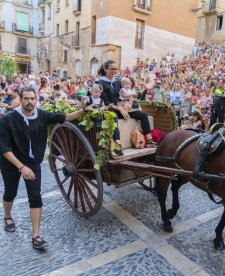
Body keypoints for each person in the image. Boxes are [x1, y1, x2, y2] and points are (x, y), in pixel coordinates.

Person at [0, 87, 95, 250]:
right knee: (10, 192)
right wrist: (21, 167)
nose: (29, 102)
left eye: (32, 98)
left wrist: (84, 110)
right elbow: (4, 147)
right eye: (26, 99)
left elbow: (64, 117)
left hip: (32, 162)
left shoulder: (42, 115)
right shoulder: (8, 119)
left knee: (35, 197)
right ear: (20, 99)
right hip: (11, 162)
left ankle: (36, 236)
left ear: (37, 99)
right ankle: (7, 216)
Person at [97, 60, 157, 148]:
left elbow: (126, 90)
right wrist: (120, 109)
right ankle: (118, 145)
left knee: (143, 115)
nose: (114, 71)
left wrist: (130, 100)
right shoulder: (100, 83)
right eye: (112, 69)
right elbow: (106, 102)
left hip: (123, 109)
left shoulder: (118, 81)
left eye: (116, 69)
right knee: (113, 117)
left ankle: (150, 141)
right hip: (110, 109)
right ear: (105, 69)